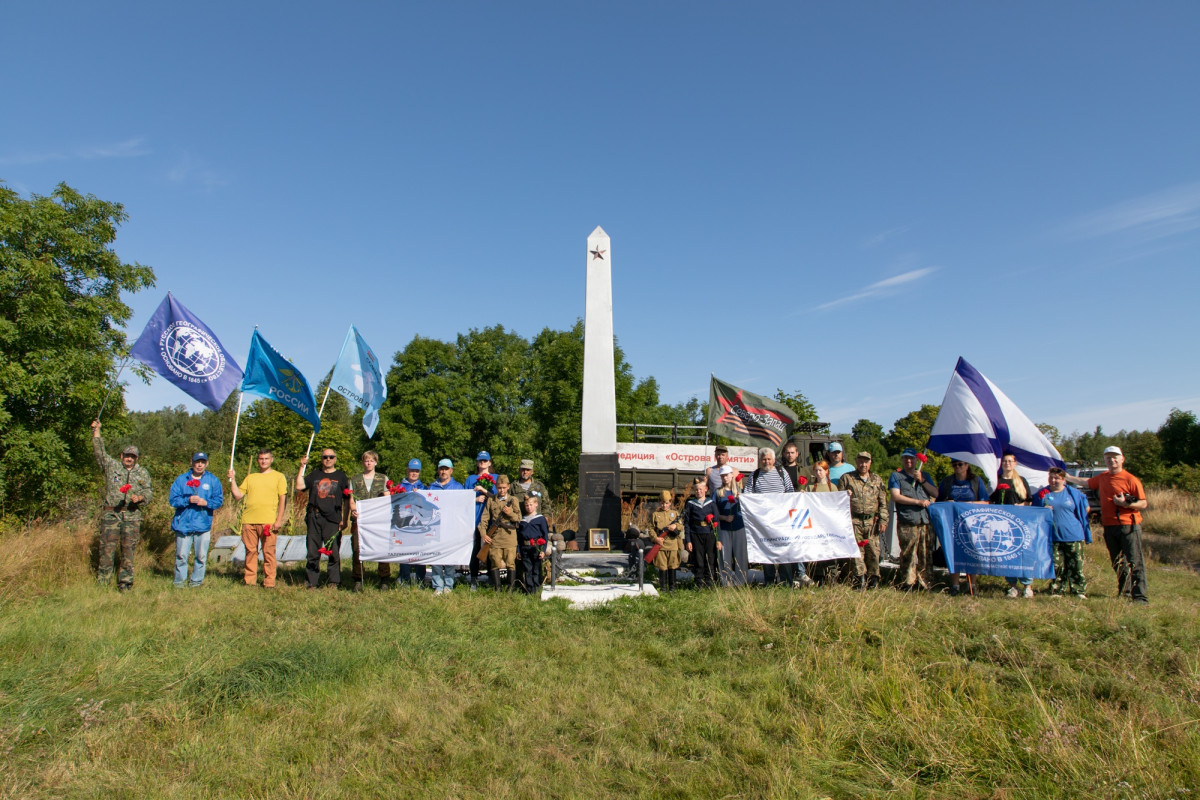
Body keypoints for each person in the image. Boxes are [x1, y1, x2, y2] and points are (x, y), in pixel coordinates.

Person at [1066, 445, 1149, 603]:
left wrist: (1126, 504)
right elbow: (1087, 482)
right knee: (1118, 561)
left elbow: (1143, 503)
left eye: (1115, 457)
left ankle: (1140, 596)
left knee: (1134, 561)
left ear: (1122, 459)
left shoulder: (1131, 479)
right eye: (1108, 458)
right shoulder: (1103, 477)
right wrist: (1068, 478)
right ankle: (1124, 592)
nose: (1112, 460)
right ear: (1105, 460)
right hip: (1109, 525)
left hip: (1128, 525)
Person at [91, 419, 152, 592]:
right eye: (127, 456)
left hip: (132, 516)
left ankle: (125, 584)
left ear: (136, 458)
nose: (129, 459)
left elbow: (149, 492)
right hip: (111, 515)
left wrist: (140, 497)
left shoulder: (142, 473)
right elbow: (99, 452)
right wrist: (97, 431)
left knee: (128, 552)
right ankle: (103, 582)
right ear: (121, 456)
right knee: (106, 551)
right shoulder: (112, 467)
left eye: (132, 457)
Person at [742, 447, 808, 586]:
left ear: (774, 460)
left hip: (781, 520)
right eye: (764, 459)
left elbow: (790, 491)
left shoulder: (781, 472)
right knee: (766, 551)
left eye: (769, 459)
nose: (766, 461)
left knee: (784, 550)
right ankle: (769, 581)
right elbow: (748, 495)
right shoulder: (754, 475)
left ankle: (786, 581)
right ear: (760, 460)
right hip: (763, 522)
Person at [228, 449, 287, 588]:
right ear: (258, 460)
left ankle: (269, 581)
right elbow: (237, 495)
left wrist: (279, 520)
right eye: (261, 458)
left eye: (266, 458)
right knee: (250, 551)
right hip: (249, 521)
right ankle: (250, 581)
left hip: (269, 522)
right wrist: (232, 479)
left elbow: (282, 499)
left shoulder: (278, 477)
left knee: (269, 552)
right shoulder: (251, 477)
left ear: (271, 460)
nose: (263, 461)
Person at [296, 448, 352, 590]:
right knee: (313, 551)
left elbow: (347, 500)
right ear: (321, 459)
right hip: (314, 517)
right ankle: (311, 582)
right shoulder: (315, 474)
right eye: (325, 457)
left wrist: (345, 520)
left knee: (333, 551)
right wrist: (302, 467)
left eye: (331, 457)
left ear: (335, 459)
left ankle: (334, 581)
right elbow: (299, 486)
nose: (328, 459)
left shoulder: (341, 476)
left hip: (333, 519)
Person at [1034, 467, 1091, 598]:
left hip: (1073, 535)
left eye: (1057, 478)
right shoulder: (1043, 494)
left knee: (1076, 565)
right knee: (1057, 566)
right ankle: (1057, 589)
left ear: (1064, 480)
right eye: (1051, 478)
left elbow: (1085, 509)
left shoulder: (1073, 494)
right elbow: (1035, 513)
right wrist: (1043, 510)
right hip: (1053, 536)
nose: (1053, 481)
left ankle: (1078, 590)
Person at [168, 452, 223, 588]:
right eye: (197, 462)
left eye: (202, 462)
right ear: (192, 462)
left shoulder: (213, 480)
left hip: (203, 524)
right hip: (183, 524)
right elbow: (173, 500)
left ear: (207, 464)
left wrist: (206, 503)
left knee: (201, 556)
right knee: (181, 555)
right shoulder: (181, 480)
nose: (199, 465)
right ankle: (179, 583)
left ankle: (196, 582)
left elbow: (218, 501)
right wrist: (187, 500)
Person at [888, 447, 940, 591]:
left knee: (925, 554)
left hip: (925, 521)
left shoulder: (925, 475)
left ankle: (925, 583)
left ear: (917, 460)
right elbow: (896, 496)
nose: (908, 461)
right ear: (902, 460)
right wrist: (917, 502)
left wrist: (922, 480)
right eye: (905, 458)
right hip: (907, 520)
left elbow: (935, 493)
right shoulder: (896, 476)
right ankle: (907, 583)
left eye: (911, 458)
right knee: (908, 553)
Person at [936, 459, 990, 596]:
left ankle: (972, 586)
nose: (957, 467)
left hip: (973, 523)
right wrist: (947, 502)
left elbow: (985, 501)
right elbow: (939, 501)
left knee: (972, 553)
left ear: (967, 465)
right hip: (952, 522)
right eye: (954, 465)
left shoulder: (976, 481)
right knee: (952, 552)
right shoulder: (947, 482)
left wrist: (968, 503)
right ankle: (955, 585)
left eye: (960, 464)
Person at [838, 452, 889, 589]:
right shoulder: (847, 478)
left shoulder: (877, 480)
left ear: (870, 462)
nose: (863, 464)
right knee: (857, 553)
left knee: (873, 552)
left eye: (866, 462)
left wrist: (883, 520)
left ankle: (874, 580)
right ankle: (860, 579)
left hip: (872, 522)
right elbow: (839, 501)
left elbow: (883, 501)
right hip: (854, 521)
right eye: (861, 461)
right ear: (856, 462)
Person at [991, 452, 1033, 598]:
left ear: (1015, 463)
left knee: (1022, 554)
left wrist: (1021, 506)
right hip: (1002, 524)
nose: (1007, 463)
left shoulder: (1021, 481)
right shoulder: (996, 480)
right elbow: (991, 501)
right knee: (1007, 554)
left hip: (1019, 523)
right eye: (1004, 461)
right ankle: (1012, 586)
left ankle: (1027, 585)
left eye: (1010, 461)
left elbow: (1029, 500)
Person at [349, 450, 390, 591]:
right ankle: (358, 578)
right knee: (357, 548)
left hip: (378, 520)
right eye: (366, 460)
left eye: (371, 460)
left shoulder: (383, 478)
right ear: (363, 462)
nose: (369, 463)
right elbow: (351, 500)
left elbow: (387, 497)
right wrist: (353, 511)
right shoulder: (354, 480)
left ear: (376, 462)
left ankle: (384, 578)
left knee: (382, 548)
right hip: (360, 521)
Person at [427, 458, 466, 594]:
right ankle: (438, 585)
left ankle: (448, 584)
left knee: (450, 556)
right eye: (441, 468)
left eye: (446, 469)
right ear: (438, 470)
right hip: (436, 527)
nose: (443, 471)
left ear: (451, 470)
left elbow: (463, 506)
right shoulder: (432, 487)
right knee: (436, 556)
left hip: (452, 527)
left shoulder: (458, 487)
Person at [478, 474, 522, 591]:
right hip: (495, 536)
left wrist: (510, 513)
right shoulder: (491, 500)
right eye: (499, 488)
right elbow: (484, 519)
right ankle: (497, 589)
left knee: (510, 563)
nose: (501, 490)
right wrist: (483, 534)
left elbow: (518, 518)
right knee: (495, 562)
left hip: (509, 536)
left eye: (504, 487)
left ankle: (510, 589)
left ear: (508, 487)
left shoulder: (513, 500)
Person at [805, 460, 843, 585]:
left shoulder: (833, 488)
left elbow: (838, 505)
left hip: (830, 525)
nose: (818, 473)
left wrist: (846, 494)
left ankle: (832, 576)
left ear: (827, 471)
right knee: (817, 551)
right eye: (816, 470)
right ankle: (819, 577)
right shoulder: (810, 487)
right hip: (815, 525)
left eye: (821, 470)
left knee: (831, 550)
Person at [464, 451, 496, 590]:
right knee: (475, 549)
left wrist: (483, 490)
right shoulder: (470, 479)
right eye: (480, 461)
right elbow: (462, 499)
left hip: (491, 520)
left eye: (485, 460)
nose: (482, 463)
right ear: (477, 463)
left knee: (490, 549)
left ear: (489, 462)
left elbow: (497, 497)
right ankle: (474, 578)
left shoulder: (495, 478)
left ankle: (491, 577)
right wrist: (475, 499)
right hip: (474, 519)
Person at [393, 459, 427, 586]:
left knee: (420, 552)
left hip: (418, 524)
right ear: (407, 470)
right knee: (405, 552)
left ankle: (420, 580)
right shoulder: (400, 487)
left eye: (416, 471)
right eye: (412, 470)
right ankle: (404, 579)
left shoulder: (424, 487)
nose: (414, 473)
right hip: (403, 523)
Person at [714, 466, 749, 586]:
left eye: (727, 475)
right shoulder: (717, 492)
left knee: (741, 555)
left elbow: (749, 509)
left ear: (732, 475)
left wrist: (742, 498)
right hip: (724, 528)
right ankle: (726, 582)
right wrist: (724, 518)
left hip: (739, 526)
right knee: (725, 556)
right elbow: (713, 512)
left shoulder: (740, 492)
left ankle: (741, 581)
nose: (725, 478)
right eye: (723, 476)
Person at [684, 477, 721, 588]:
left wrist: (718, 539)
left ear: (705, 489)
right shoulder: (690, 504)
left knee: (710, 559)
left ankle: (710, 583)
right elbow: (687, 523)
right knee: (698, 560)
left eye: (700, 489)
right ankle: (699, 583)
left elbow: (716, 521)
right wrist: (688, 540)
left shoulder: (711, 503)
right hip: (696, 534)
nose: (698, 491)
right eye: (696, 490)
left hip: (709, 534)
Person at [650, 489, 684, 592]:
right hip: (661, 545)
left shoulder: (674, 514)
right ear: (659, 502)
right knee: (662, 566)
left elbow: (681, 526)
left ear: (670, 503)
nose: (664, 505)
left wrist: (675, 526)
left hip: (672, 544)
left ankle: (672, 588)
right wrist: (655, 538)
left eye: (666, 503)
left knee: (672, 565)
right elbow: (651, 528)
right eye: (662, 503)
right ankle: (663, 588)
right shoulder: (655, 514)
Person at [516, 493, 550, 594]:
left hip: (536, 547)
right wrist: (518, 550)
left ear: (536, 504)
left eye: (531, 505)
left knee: (536, 569)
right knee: (527, 569)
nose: (529, 507)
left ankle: (537, 589)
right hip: (525, 548)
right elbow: (518, 537)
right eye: (527, 505)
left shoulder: (540, 518)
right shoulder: (522, 520)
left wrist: (543, 550)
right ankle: (529, 589)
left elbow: (545, 535)